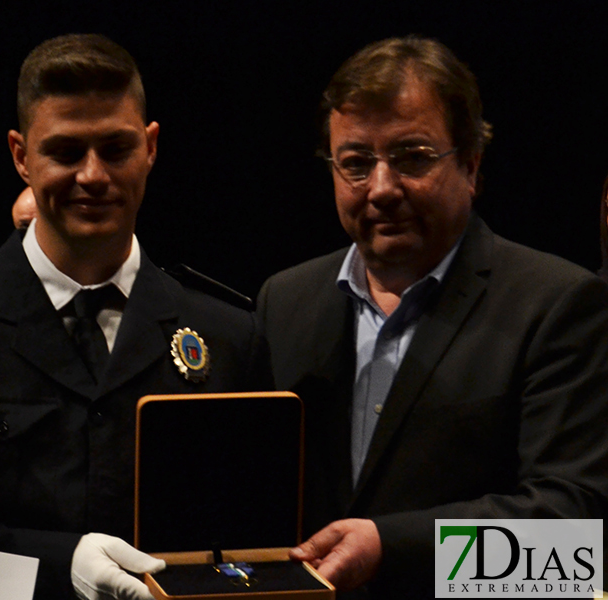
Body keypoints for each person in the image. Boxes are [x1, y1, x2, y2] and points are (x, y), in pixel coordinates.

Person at [0, 34, 266, 600]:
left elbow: (253, 542)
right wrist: (58, 564)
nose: (93, 176)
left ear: (150, 148)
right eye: (66, 152)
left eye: (115, 149)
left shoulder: (229, 332)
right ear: (21, 156)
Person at [257, 37, 608, 598]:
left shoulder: (559, 304)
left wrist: (388, 551)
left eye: (412, 158)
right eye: (355, 163)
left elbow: (576, 547)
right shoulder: (284, 301)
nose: (381, 188)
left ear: (471, 165)